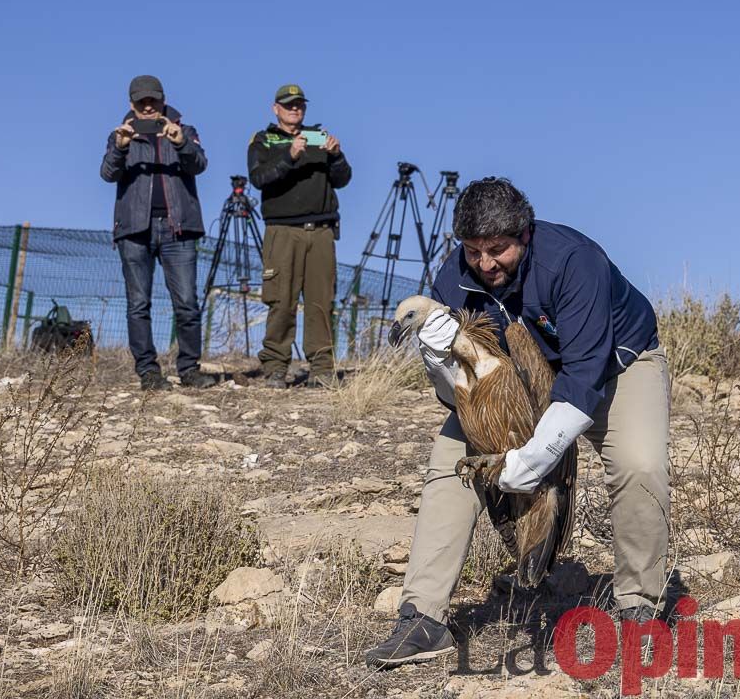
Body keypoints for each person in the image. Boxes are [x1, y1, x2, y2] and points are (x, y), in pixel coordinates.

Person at [365, 177, 670, 669]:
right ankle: (422, 616)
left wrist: (532, 459)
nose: (485, 265)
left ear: (524, 236)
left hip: (615, 365)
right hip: (516, 382)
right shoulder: (455, 282)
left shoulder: (572, 262)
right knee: (451, 464)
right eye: (473, 250)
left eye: (498, 250)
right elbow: (458, 396)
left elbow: (583, 374)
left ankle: (640, 605)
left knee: (640, 464)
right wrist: (441, 361)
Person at [100, 75, 216, 391]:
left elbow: (199, 165)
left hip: (178, 228)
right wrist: (121, 148)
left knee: (187, 302)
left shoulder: (185, 131)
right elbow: (108, 173)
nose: (148, 106)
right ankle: (149, 373)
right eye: (141, 102)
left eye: (153, 100)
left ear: (163, 100)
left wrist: (180, 142)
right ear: (131, 105)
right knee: (138, 303)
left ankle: (189, 368)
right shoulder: (119, 136)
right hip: (135, 229)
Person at [247, 84, 351, 388]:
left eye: (300, 105)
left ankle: (321, 369)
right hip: (282, 231)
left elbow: (343, 179)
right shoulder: (264, 140)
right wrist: (289, 156)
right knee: (281, 300)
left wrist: (337, 155)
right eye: (289, 105)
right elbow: (259, 178)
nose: (296, 110)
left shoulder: (318, 138)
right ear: (275, 108)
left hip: (320, 231)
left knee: (321, 302)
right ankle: (276, 368)